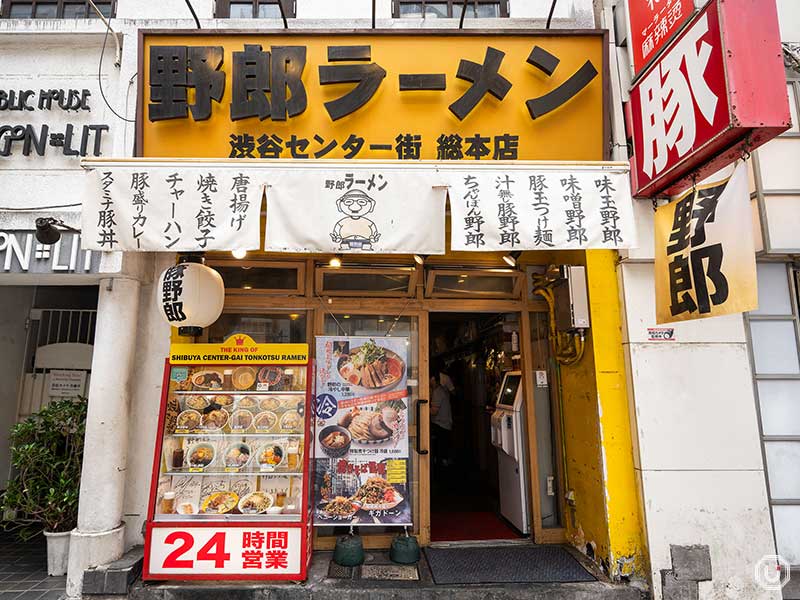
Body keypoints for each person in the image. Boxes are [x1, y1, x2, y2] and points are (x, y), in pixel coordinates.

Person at [430, 371, 453, 468]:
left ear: (433, 379)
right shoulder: (440, 390)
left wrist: (422, 408)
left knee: (440, 448)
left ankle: (440, 466)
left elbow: (434, 411)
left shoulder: (438, 392)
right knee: (442, 448)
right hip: (444, 423)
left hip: (441, 425)